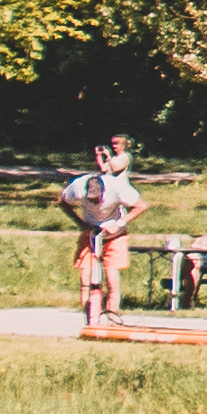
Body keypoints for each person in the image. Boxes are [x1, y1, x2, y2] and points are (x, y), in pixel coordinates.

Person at [60, 135, 146, 338]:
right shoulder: (78, 186)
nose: (96, 204)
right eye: (91, 200)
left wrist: (120, 223)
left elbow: (141, 206)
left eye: (98, 200)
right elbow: (62, 201)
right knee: (86, 279)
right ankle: (90, 322)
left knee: (111, 278)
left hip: (115, 235)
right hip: (90, 233)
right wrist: (80, 223)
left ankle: (112, 319)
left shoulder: (117, 187)